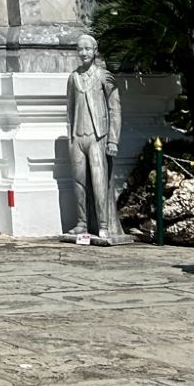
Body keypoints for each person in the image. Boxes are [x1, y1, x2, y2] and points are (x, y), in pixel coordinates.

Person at [66, 34, 124, 243]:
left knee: (99, 182)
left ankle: (103, 225)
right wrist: (70, 136)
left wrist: (113, 140)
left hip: (98, 136)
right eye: (80, 49)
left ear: (95, 50)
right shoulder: (74, 78)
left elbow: (115, 108)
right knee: (79, 181)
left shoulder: (103, 76)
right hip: (78, 136)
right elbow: (70, 108)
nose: (83, 53)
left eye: (87, 49)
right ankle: (82, 222)